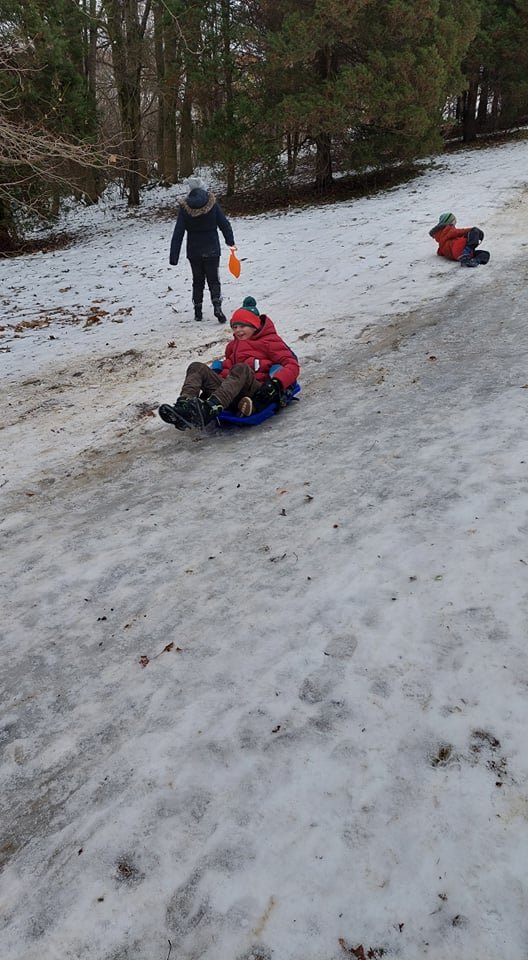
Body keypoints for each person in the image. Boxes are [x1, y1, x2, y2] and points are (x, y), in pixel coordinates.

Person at [158, 296, 300, 431]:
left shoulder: (270, 341)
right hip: (229, 391)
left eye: (243, 326)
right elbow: (228, 368)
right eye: (235, 327)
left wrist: (276, 383)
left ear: (255, 325)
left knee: (241, 368)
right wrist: (215, 374)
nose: (238, 330)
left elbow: (292, 365)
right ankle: (185, 407)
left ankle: (211, 408)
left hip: (257, 391)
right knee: (196, 367)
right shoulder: (233, 346)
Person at [169, 175, 236, 322]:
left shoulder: (185, 208)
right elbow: (224, 224)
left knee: (197, 280)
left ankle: (198, 311)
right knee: (213, 279)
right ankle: (217, 306)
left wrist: (174, 256)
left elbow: (178, 232)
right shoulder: (212, 203)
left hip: (194, 251)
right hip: (212, 248)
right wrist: (230, 241)